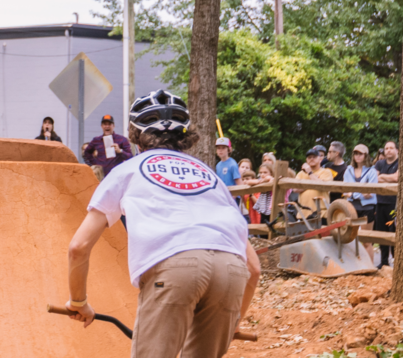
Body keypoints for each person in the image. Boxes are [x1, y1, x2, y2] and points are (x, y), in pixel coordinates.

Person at [63, 90, 262, 358]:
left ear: (135, 136)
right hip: (231, 270)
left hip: (174, 265)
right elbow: (254, 268)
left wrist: (79, 302)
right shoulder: (210, 176)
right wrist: (233, 322)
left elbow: (78, 246)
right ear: (184, 136)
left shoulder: (127, 170)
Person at [373, 141, 400, 267]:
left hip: (395, 203)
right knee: (381, 233)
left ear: (397, 150)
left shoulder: (401, 162)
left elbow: (397, 178)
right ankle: (383, 262)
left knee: (395, 232)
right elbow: (373, 178)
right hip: (380, 202)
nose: (388, 150)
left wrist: (382, 176)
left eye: (391, 148)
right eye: (386, 148)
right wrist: (388, 177)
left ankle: (397, 261)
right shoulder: (379, 163)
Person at [344, 144, 381, 227]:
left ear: (366, 156)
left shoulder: (372, 171)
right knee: (351, 236)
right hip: (351, 207)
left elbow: (370, 194)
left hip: (367, 208)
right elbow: (345, 190)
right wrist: (361, 192)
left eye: (360, 154)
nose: (358, 156)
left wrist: (353, 194)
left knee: (366, 237)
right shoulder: (348, 170)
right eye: (356, 154)